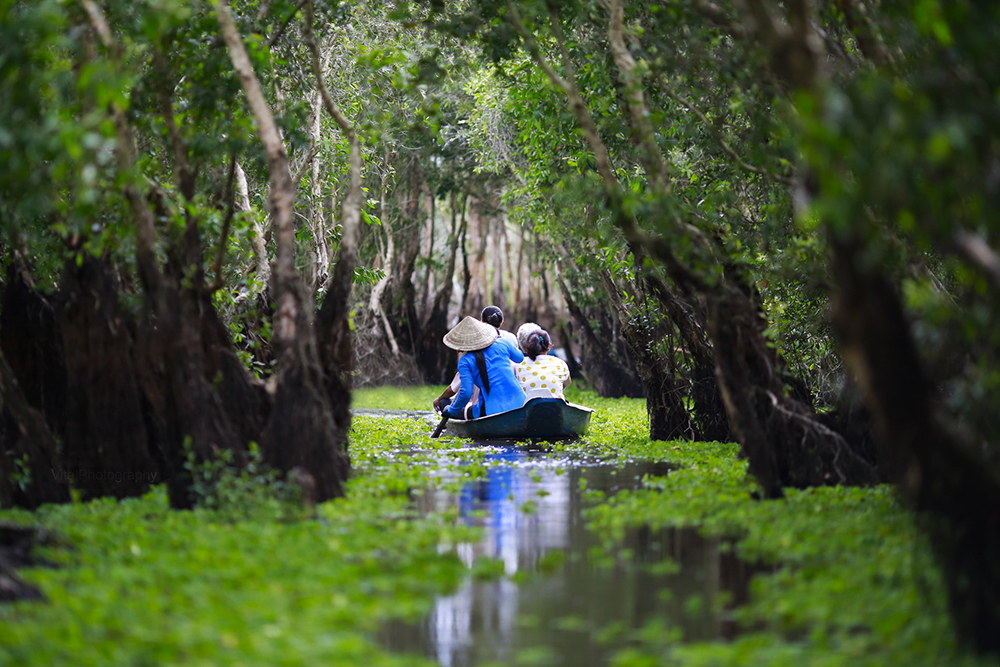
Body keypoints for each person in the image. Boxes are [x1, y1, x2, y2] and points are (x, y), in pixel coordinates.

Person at [433, 306, 517, 414]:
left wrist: (443, 402)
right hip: (514, 404)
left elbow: (459, 391)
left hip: (486, 408)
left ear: (481, 323)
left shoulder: (469, 360)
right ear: (501, 322)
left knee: (444, 403)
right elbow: (519, 358)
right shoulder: (508, 340)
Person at [514, 323, 571, 400]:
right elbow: (567, 383)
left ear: (526, 346)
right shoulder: (560, 363)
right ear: (549, 346)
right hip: (556, 408)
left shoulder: (518, 365)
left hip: (528, 409)